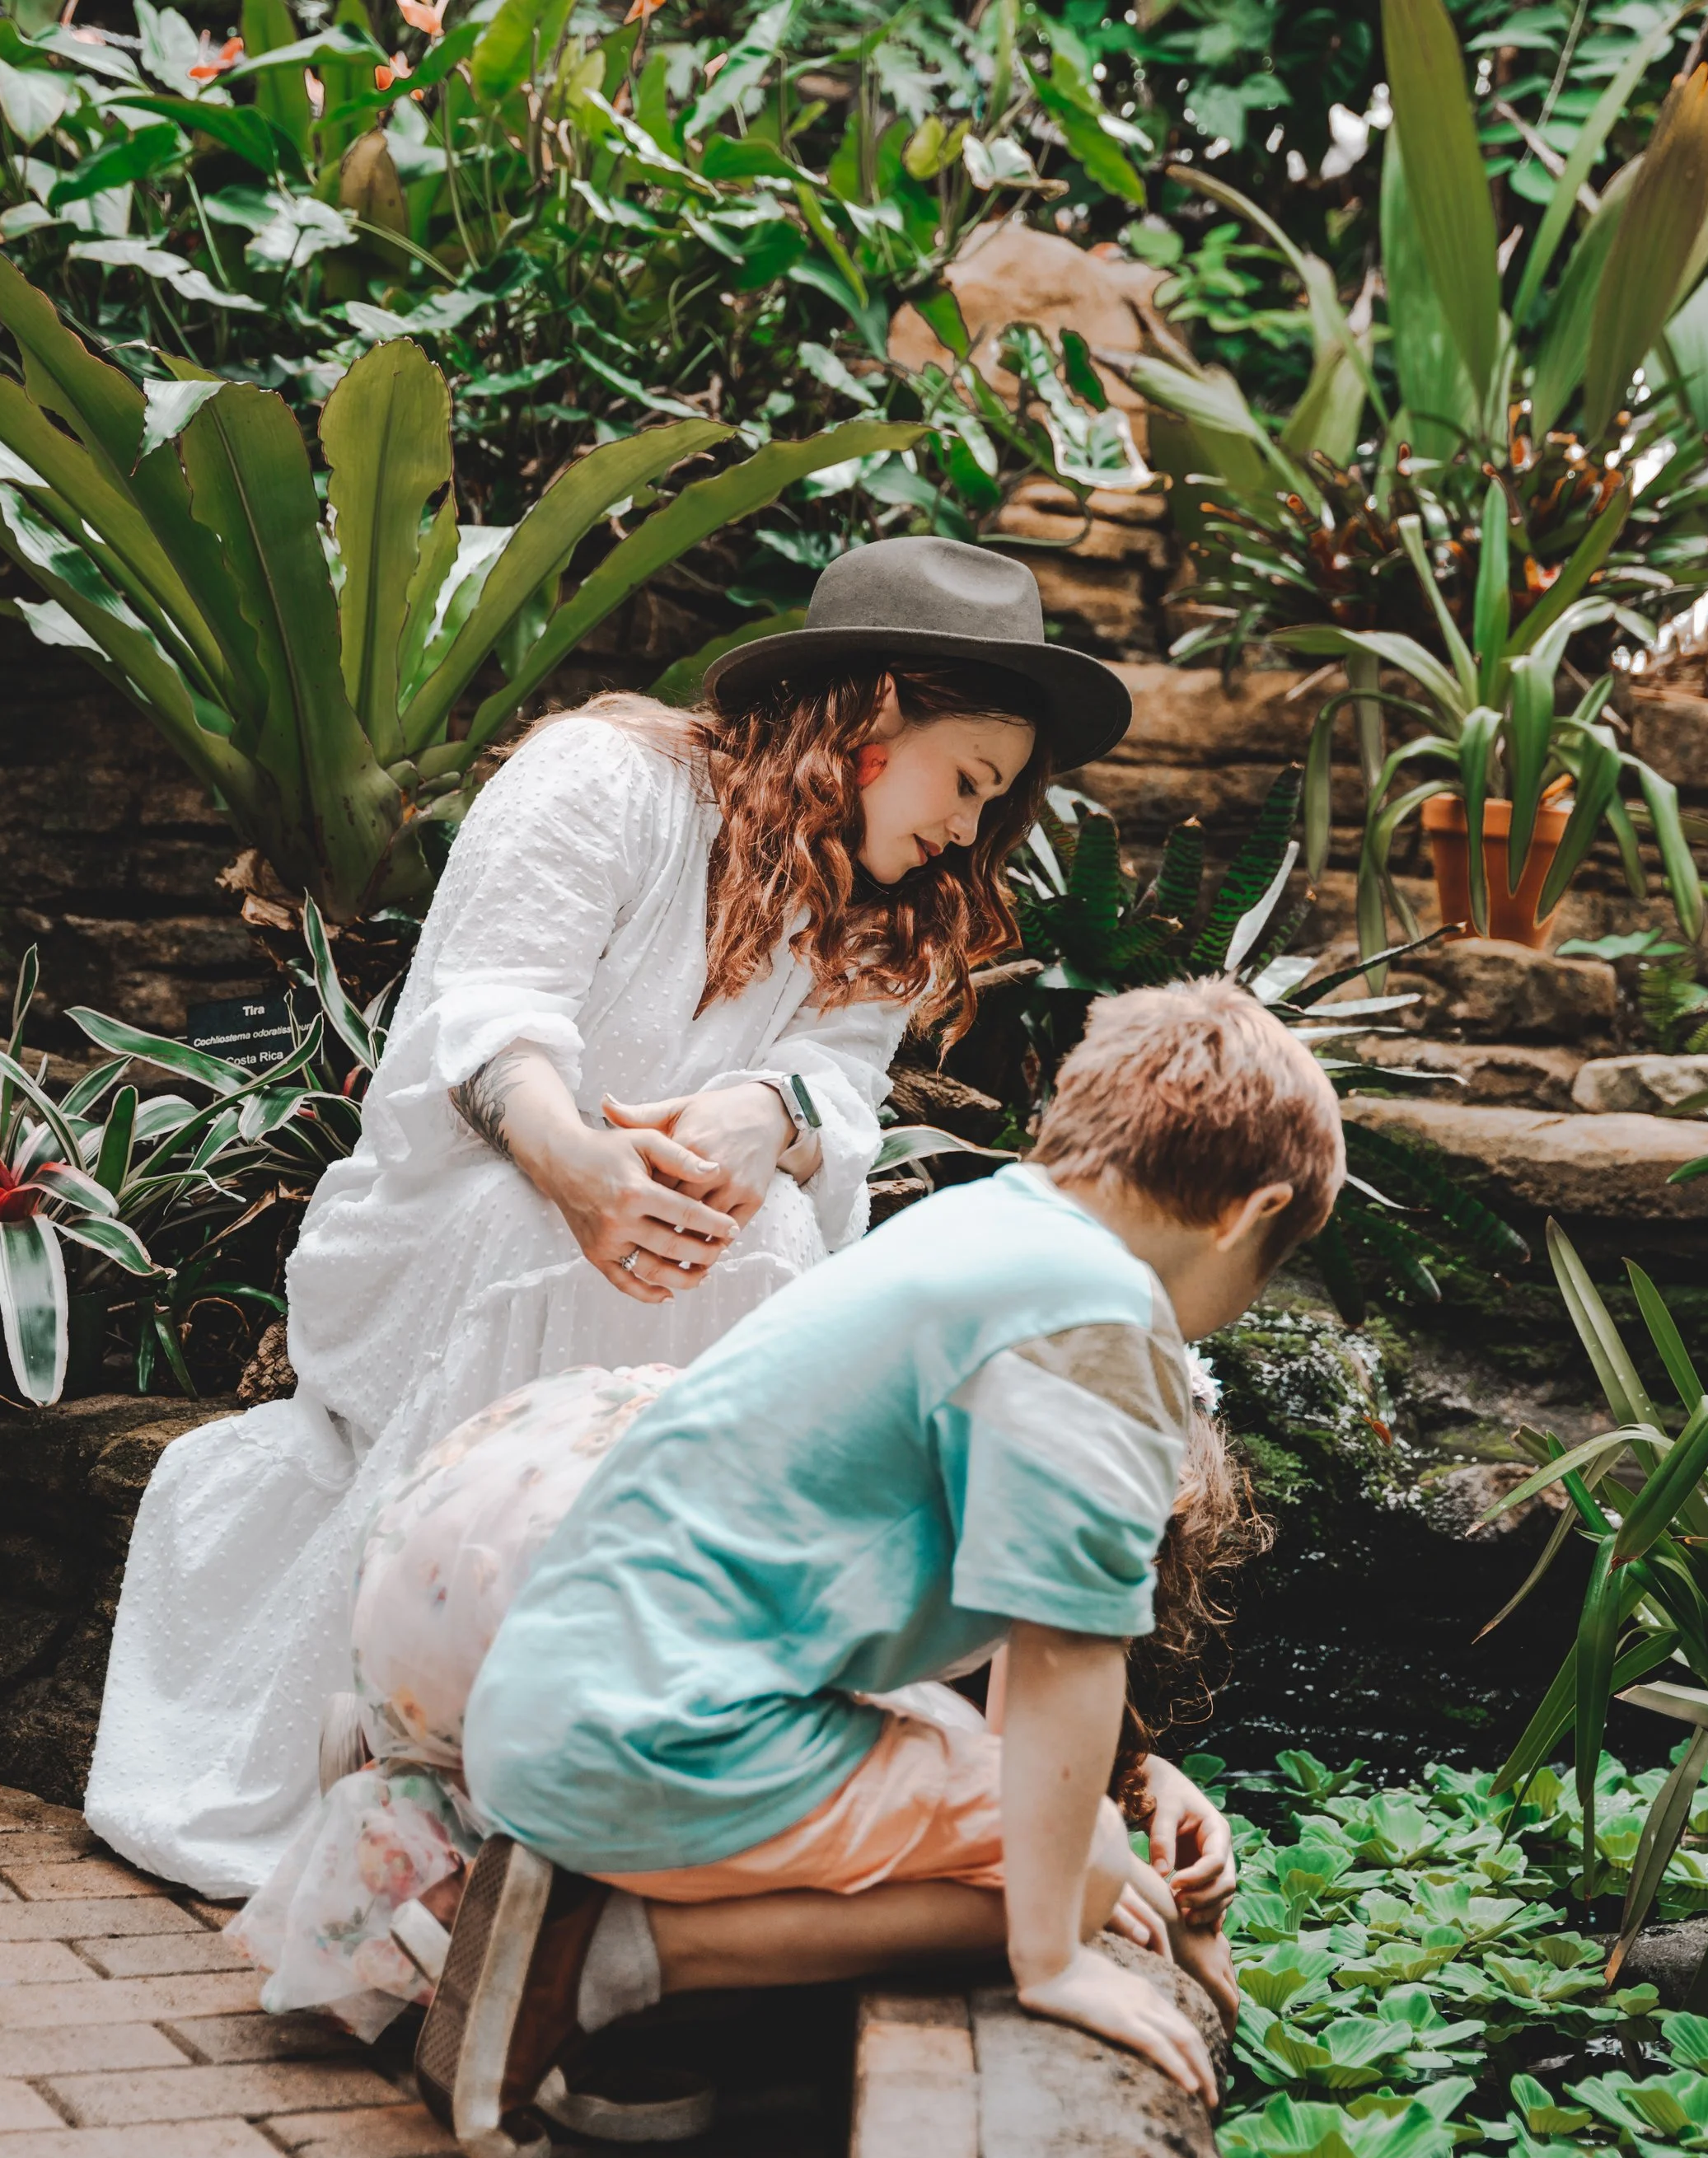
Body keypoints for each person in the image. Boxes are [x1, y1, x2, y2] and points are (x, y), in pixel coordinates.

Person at [84, 538, 1135, 1898]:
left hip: (680, 1252)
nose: (968, 832)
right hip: (442, 1229)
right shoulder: (604, 779)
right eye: (969, 782)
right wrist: (579, 1163)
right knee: (536, 1230)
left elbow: (844, 1086)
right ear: (877, 719)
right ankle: (421, 1749)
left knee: (774, 1239)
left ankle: (664, 1728)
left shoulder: (886, 908)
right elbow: (483, 1018)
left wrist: (772, 1109)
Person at [416, 979, 1345, 2158]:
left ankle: (617, 1949)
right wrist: (1054, 1956)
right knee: (1084, 1888)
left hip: (567, 1705)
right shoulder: (1100, 1316)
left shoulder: (983, 1231)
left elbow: (1028, 1651)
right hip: (649, 1741)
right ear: (1253, 1211)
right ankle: (615, 1959)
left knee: (1069, 1855)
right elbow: (1068, 1647)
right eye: (1269, 1267)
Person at [225, 1364, 1253, 2044]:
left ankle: (413, 1769)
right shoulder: (1025, 1544)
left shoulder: (912, 1399)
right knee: (1052, 1879)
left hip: (443, 1589)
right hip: (596, 1674)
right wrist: (1095, 1871)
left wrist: (1142, 1773)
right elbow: (1008, 1781)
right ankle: (603, 1954)